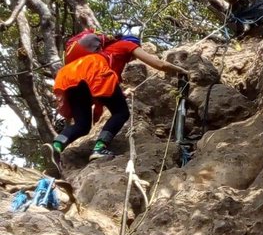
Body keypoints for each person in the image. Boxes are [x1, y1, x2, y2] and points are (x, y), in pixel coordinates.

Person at [42, 35, 188, 178]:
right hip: (93, 70)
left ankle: (56, 146)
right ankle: (99, 148)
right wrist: (181, 70)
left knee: (82, 125)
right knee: (121, 112)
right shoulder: (127, 44)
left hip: (69, 74)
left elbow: (103, 91)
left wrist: (122, 93)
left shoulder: (106, 55)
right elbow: (159, 64)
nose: (133, 59)